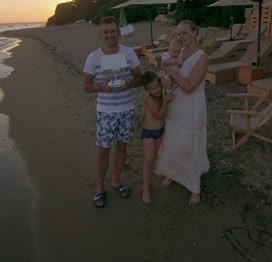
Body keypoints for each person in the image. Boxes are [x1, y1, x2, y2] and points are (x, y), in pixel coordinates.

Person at [83, 16, 142, 208]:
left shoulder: (129, 53)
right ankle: (100, 188)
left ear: (119, 32)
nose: (110, 35)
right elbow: (86, 86)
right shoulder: (93, 57)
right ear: (101, 34)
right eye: (106, 32)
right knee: (103, 151)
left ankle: (116, 181)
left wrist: (129, 82)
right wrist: (101, 86)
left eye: (113, 31)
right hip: (106, 111)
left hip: (126, 108)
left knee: (122, 148)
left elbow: (139, 80)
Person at [155, 20, 210, 205]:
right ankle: (173, 173)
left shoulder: (202, 57)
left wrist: (169, 69)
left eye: (185, 33)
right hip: (176, 105)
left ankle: (195, 187)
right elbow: (171, 79)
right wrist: (164, 77)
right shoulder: (179, 52)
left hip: (192, 105)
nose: (181, 37)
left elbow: (189, 86)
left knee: (190, 143)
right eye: (178, 34)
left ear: (195, 33)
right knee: (174, 140)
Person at [141, 71, 173, 204]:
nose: (156, 90)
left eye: (157, 86)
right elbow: (159, 116)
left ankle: (169, 176)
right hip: (149, 133)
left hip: (159, 131)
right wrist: (165, 103)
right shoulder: (148, 99)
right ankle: (146, 189)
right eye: (152, 89)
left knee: (161, 156)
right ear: (147, 90)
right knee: (149, 161)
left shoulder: (162, 93)